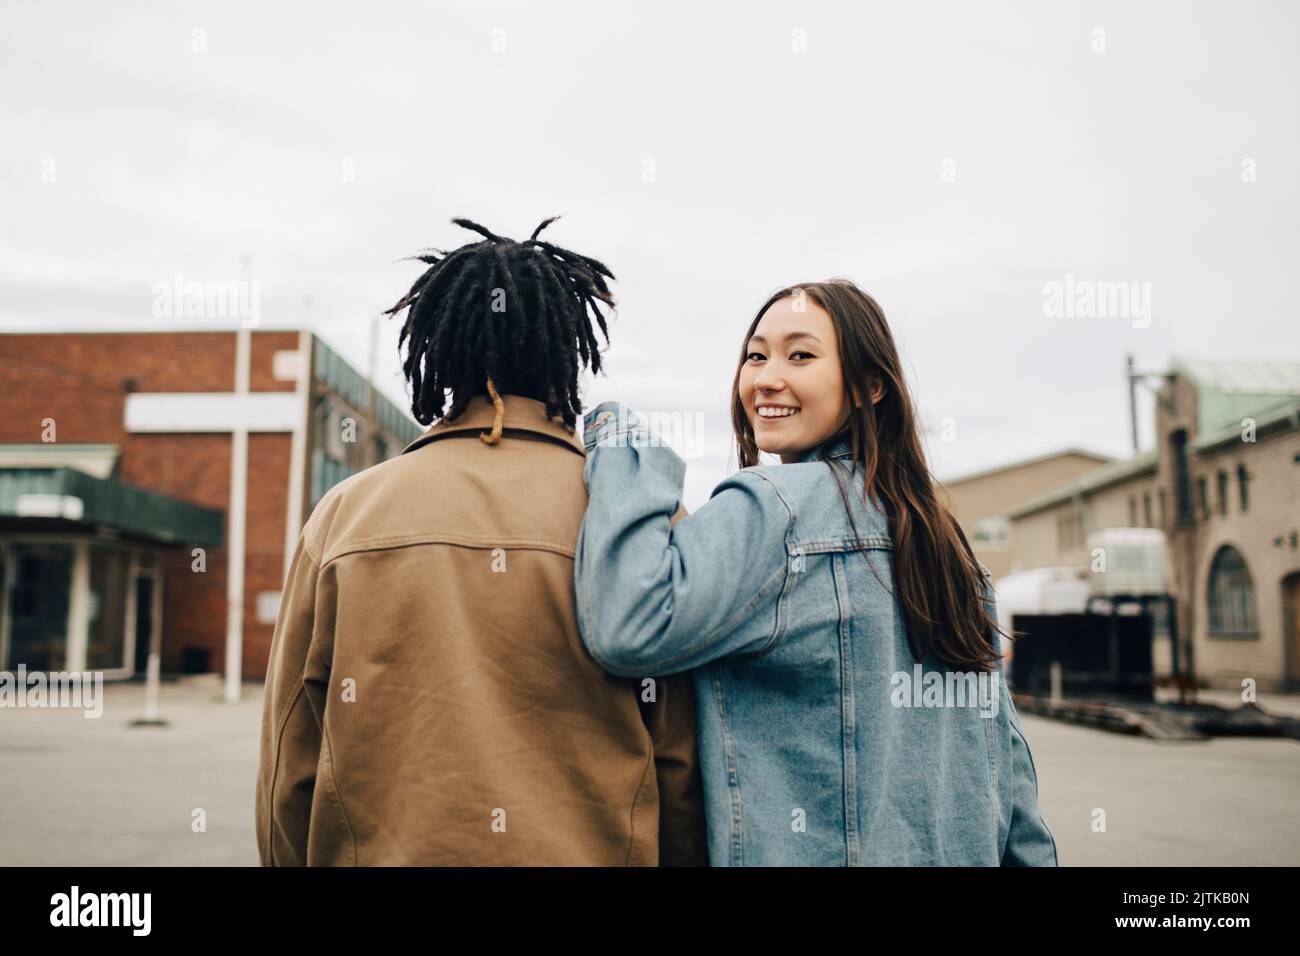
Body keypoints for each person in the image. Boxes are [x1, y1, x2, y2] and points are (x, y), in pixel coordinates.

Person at [256, 217, 707, 866]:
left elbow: (291, 757)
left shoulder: (345, 518)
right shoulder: (644, 518)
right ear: (567, 352)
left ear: (437, 349)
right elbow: (682, 759)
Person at [575, 278, 1058, 866]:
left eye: (800, 354)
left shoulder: (776, 509)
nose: (765, 378)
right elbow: (1010, 780)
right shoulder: (947, 546)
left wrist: (621, 445)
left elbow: (628, 624)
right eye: (756, 355)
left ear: (869, 386)